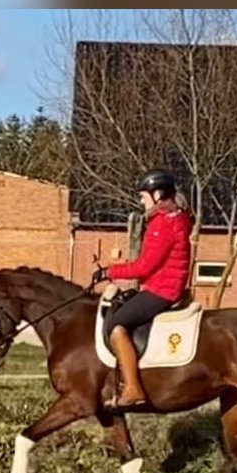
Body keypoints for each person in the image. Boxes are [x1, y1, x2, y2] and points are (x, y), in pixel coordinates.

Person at [91, 168, 192, 411]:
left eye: (143, 195)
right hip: (164, 286)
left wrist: (109, 272)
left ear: (157, 194)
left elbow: (145, 266)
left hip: (162, 290)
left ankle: (133, 389)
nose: (141, 200)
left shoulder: (163, 224)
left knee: (117, 326)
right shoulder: (174, 218)